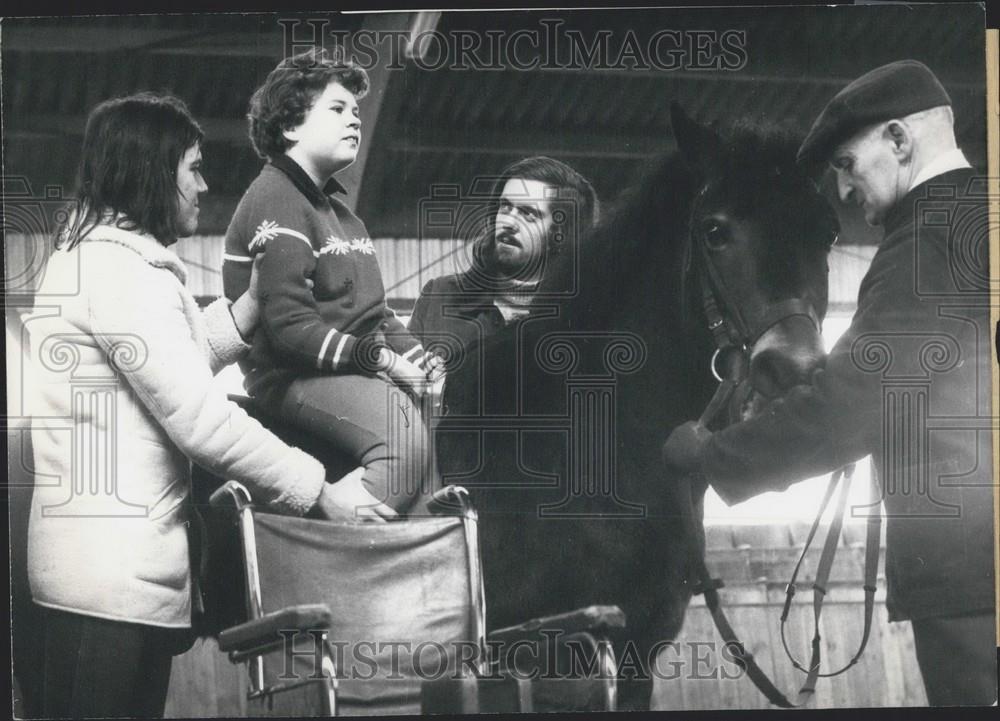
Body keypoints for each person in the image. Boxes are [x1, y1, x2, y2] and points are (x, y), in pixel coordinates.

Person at [663, 60, 995, 705]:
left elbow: (855, 402)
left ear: (899, 140)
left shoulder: (930, 237)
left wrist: (712, 456)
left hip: (974, 573)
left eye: (846, 163)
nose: (842, 191)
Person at [24, 92, 351, 719]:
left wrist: (255, 299)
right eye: (193, 168)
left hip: (112, 581)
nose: (203, 185)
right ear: (154, 171)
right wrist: (319, 490)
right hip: (105, 586)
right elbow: (200, 417)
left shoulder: (114, 263)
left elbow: (175, 361)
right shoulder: (114, 272)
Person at [223, 48, 442, 521]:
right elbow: (288, 327)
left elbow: (375, 313)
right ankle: (327, 532)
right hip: (291, 377)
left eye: (357, 112)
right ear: (290, 127)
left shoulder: (345, 217)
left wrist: (424, 362)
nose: (355, 121)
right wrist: (383, 361)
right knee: (403, 437)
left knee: (430, 479)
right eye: (337, 109)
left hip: (344, 372)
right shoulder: (275, 198)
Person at [408, 156, 599, 362]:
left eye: (528, 214)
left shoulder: (582, 316)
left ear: (560, 233)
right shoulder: (439, 294)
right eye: (505, 207)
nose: (508, 222)